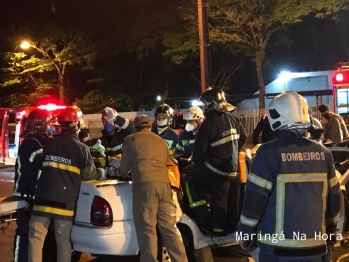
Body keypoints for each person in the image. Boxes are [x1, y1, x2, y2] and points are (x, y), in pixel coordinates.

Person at [238, 90, 340, 262]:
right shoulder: (324, 153)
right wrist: (331, 233)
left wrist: (245, 233)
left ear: (275, 116)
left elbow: (254, 201)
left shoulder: (267, 153)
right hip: (316, 249)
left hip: (278, 252)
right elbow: (334, 200)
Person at [28, 106, 100, 262]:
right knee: (63, 242)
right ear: (76, 125)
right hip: (65, 204)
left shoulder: (48, 144)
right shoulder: (82, 149)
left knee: (35, 239)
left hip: (42, 200)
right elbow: (89, 175)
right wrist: (102, 172)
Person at [119, 115, 188, 262]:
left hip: (145, 188)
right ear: (150, 126)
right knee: (169, 228)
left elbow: (123, 169)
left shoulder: (130, 140)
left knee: (147, 228)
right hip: (165, 187)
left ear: (135, 127)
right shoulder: (160, 141)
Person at [182, 87, 247, 236]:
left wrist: (204, 158)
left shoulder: (208, 124)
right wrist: (231, 152)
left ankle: (207, 221)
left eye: (204, 104)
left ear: (209, 103)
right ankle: (230, 226)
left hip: (216, 169)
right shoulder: (233, 118)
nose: (204, 107)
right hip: (232, 167)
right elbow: (243, 137)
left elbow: (198, 155)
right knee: (229, 199)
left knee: (188, 175)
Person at [12, 109, 54, 262]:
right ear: (40, 124)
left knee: (34, 238)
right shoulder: (31, 144)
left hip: (33, 197)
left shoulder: (40, 143)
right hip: (25, 196)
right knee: (23, 235)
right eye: (48, 122)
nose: (51, 126)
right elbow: (43, 163)